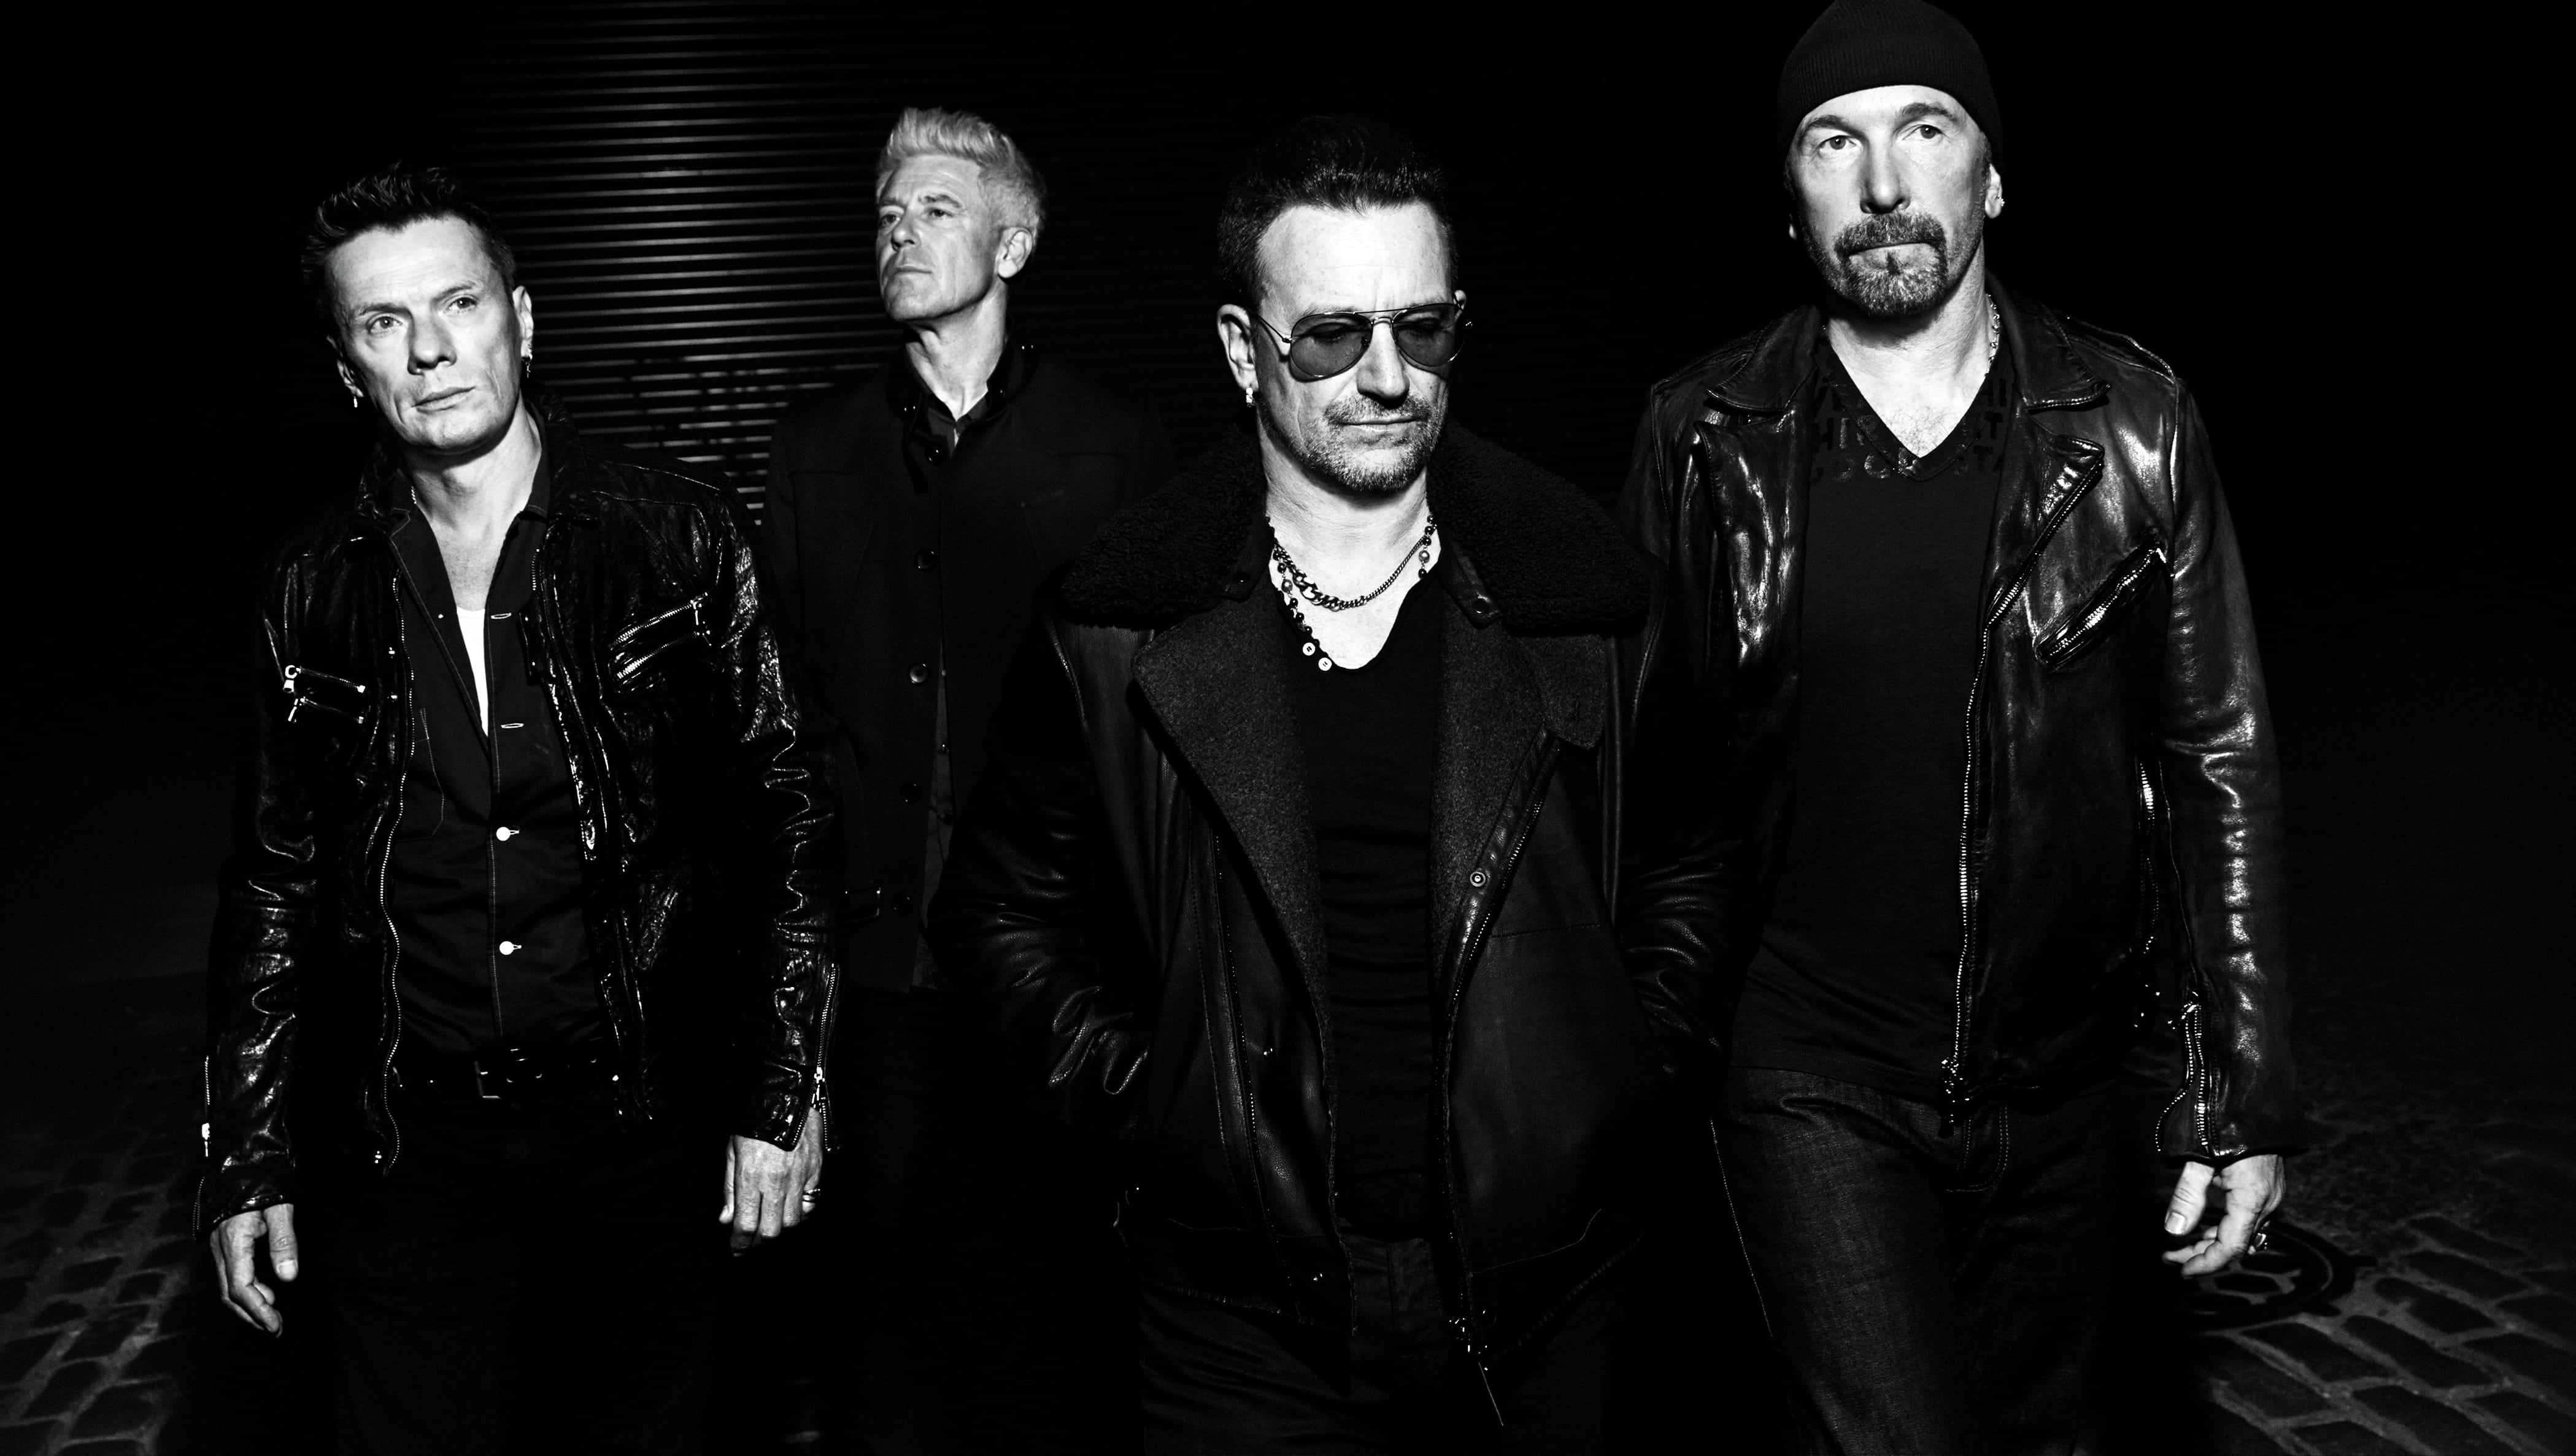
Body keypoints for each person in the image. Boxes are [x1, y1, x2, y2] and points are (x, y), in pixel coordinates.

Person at [930, 116, 1714, 1454]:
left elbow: (1695, 863)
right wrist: (1160, 1106)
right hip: (1237, 1316)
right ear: (1245, 351)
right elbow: (999, 918)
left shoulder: (1585, 603)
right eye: (1332, 337)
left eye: (1423, 328)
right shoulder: (1116, 625)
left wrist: (1613, 1076)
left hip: (1543, 1290)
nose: (1387, 376)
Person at [1621, 1, 2299, 1449]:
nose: (1881, 184)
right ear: (1790, 202)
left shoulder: (2130, 423)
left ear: (1991, 179)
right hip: (1804, 1077)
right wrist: (1642, 1057)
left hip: (2062, 1081)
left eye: (1922, 130)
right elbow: (1653, 785)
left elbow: (2213, 759)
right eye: (1832, 144)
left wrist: (2233, 1089)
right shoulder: (1702, 434)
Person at [199, 164, 838, 1455]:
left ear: (523, 319)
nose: (430, 350)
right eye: (384, 322)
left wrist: (782, 1088)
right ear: (347, 370)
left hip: (639, 1124)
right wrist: (246, 1152)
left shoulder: (679, 537)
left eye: (459, 304)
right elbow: (273, 878)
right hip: (407, 1142)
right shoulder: (307, 584)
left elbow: (786, 819)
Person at [757, 105, 1171, 1444]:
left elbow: (1156, 728)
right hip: (879, 976)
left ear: (1014, 242)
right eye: (887, 213)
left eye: (936, 209)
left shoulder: (1115, 450)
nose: (900, 232)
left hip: (1057, 972)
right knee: (882, 1330)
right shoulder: (815, 451)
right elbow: (781, 727)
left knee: (1056, 1324)